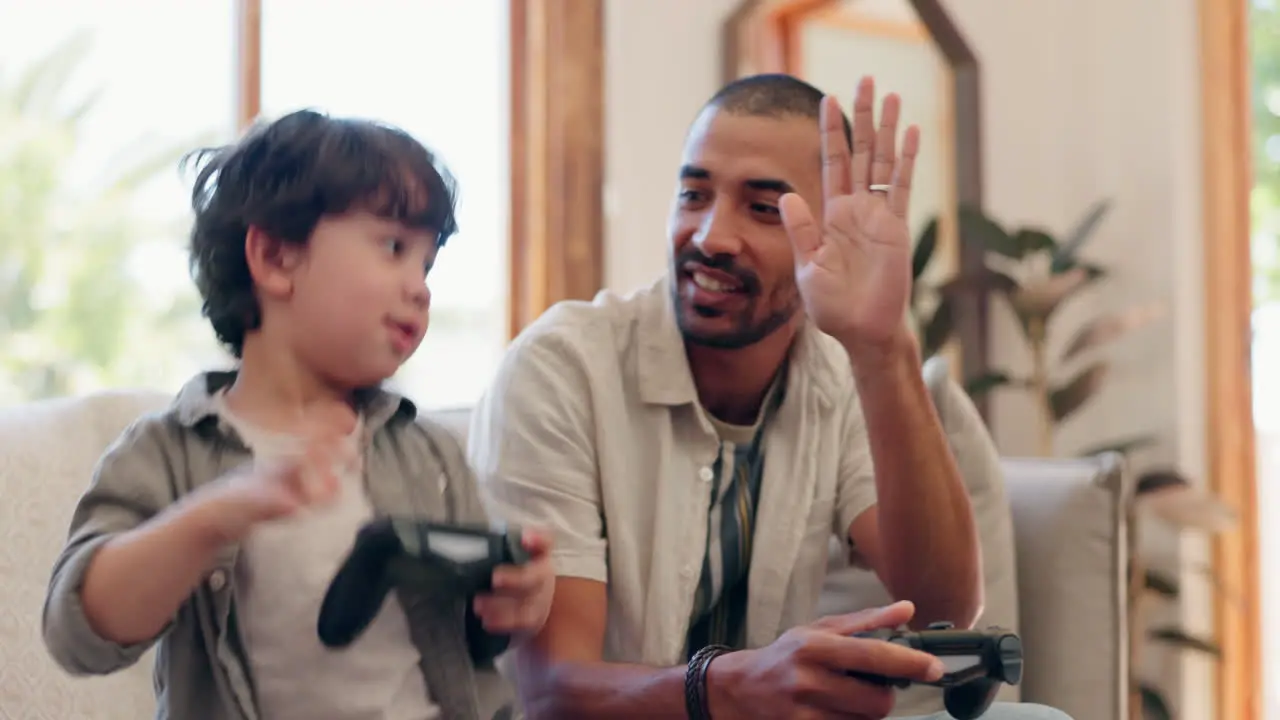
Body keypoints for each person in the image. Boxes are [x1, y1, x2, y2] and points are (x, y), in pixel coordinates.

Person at [468, 74, 1071, 720]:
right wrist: (725, 687)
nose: (709, 236)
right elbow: (550, 693)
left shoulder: (838, 371)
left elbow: (947, 608)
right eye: (693, 194)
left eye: (762, 209)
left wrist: (884, 347)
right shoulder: (562, 368)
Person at [41, 110, 554, 720]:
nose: (420, 287)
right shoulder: (167, 452)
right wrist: (220, 512)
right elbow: (79, 631)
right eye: (393, 248)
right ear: (276, 258)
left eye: (426, 263)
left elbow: (470, 646)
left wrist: (518, 605)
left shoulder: (428, 454)